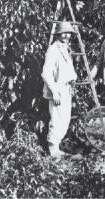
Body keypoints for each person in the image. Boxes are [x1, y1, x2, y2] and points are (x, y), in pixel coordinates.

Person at [42, 21, 78, 158]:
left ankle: (56, 147)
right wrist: (55, 92)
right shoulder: (53, 49)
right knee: (57, 119)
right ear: (58, 34)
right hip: (58, 90)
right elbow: (46, 73)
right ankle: (53, 150)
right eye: (64, 33)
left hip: (66, 88)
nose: (67, 36)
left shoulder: (65, 49)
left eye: (68, 33)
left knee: (65, 119)